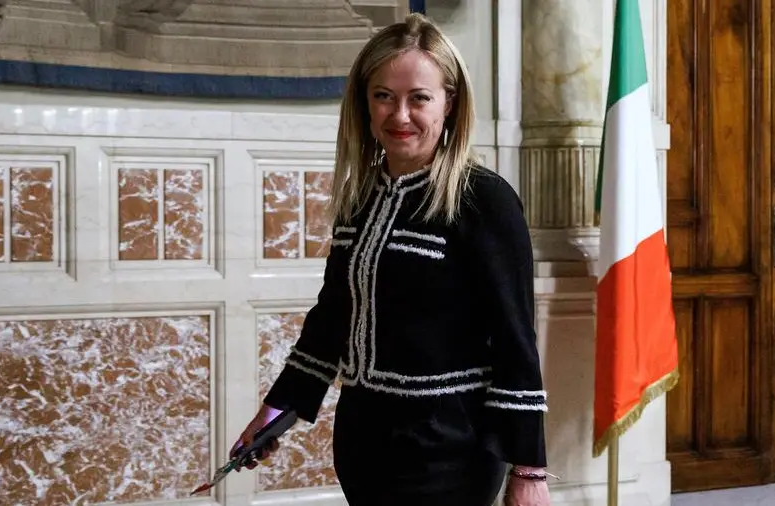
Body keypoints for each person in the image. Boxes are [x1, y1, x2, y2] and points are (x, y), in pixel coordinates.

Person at [232, 13, 551, 506]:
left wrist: (529, 470)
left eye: (419, 98)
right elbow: (333, 318)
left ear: (450, 102)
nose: (399, 115)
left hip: (450, 447)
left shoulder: (484, 199)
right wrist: (277, 409)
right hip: (362, 440)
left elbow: (516, 342)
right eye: (383, 95)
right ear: (364, 102)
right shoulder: (359, 198)